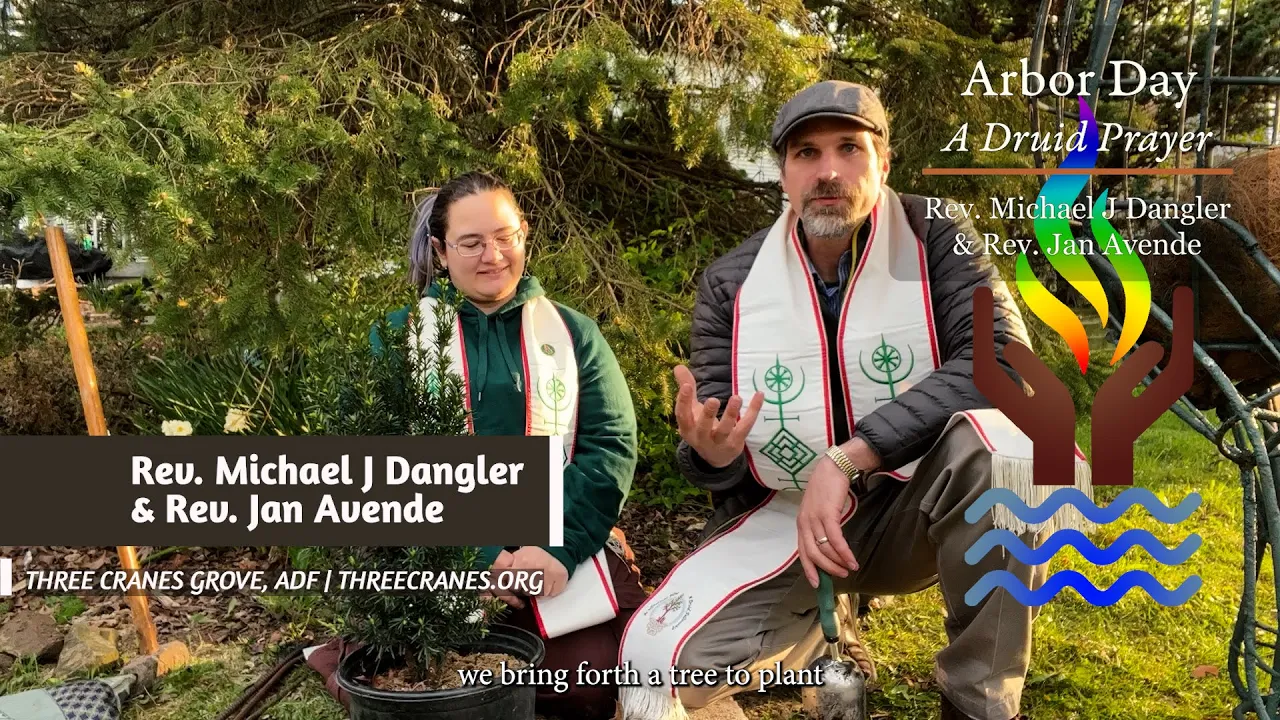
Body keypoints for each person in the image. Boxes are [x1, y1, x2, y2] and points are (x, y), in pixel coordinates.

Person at [617, 82, 1090, 720]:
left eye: (849, 148)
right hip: (788, 521)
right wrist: (711, 451)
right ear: (782, 173)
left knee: (1009, 451)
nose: (829, 170)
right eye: (806, 154)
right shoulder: (734, 281)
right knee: (653, 670)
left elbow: (1005, 362)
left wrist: (847, 459)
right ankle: (819, 626)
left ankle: (979, 700)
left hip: (921, 507)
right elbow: (721, 443)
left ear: (884, 162)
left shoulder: (938, 237)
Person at [386, 170, 649, 719]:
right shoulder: (396, 337)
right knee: (425, 684)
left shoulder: (574, 333)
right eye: (472, 242)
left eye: (506, 236)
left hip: (556, 557)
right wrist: (475, 557)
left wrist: (556, 548)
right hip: (440, 557)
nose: (493, 255)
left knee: (585, 689)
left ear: (525, 234)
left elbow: (609, 447)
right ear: (440, 249)